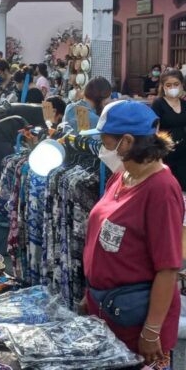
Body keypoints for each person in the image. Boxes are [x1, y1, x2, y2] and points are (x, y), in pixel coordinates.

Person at [81, 100, 183, 369]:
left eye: (104, 139)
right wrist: (90, 294)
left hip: (134, 324)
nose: (101, 146)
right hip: (106, 309)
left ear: (125, 141)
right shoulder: (123, 175)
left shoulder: (161, 190)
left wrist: (151, 333)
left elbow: (168, 268)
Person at [152, 70, 186, 191]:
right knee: (168, 189)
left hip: (183, 154)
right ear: (163, 86)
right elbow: (154, 131)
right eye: (168, 85)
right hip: (166, 154)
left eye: (176, 84)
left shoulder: (184, 103)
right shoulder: (158, 104)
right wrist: (157, 156)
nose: (173, 87)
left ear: (182, 84)